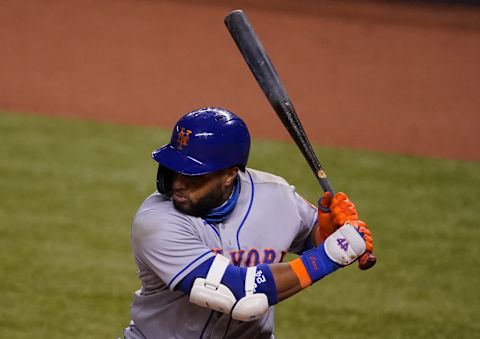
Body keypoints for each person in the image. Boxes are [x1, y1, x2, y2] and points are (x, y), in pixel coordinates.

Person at [122, 107, 374, 339]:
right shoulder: (156, 220)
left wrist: (327, 232)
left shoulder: (276, 196)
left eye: (194, 175)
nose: (178, 183)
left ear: (230, 174)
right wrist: (330, 255)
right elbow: (237, 293)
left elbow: (316, 241)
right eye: (175, 169)